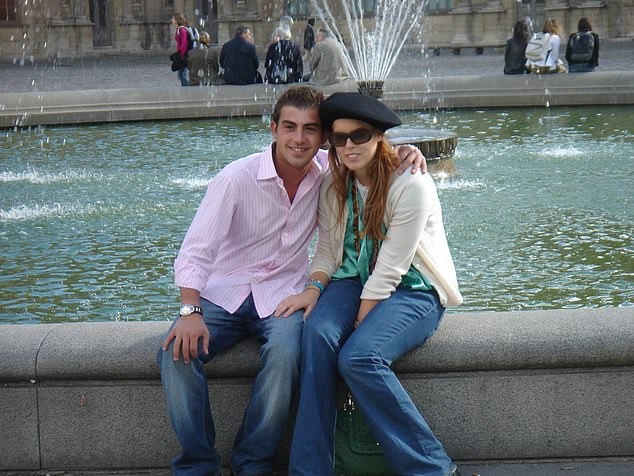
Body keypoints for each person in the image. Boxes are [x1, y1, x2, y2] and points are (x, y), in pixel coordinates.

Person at [158, 86, 427, 476]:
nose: (299, 139)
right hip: (224, 293)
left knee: (286, 357)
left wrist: (406, 151)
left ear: (321, 137)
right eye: (290, 127)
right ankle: (198, 465)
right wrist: (189, 309)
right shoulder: (235, 179)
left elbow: (368, 151)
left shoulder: (328, 170)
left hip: (282, 295)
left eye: (309, 130)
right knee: (175, 355)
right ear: (273, 129)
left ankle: (252, 462)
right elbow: (196, 250)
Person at [276, 92, 463, 476]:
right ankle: (310, 469)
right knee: (316, 334)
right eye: (339, 138)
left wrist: (362, 320)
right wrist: (312, 289)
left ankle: (433, 468)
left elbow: (392, 266)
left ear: (379, 136)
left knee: (359, 357)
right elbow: (328, 252)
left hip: (415, 289)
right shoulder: (333, 184)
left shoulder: (411, 182)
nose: (348, 146)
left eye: (358, 135)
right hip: (354, 279)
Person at [171, 12, 190, 86]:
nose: (172, 20)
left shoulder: (181, 30)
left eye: (173, 18)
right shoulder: (179, 29)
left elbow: (184, 43)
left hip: (183, 55)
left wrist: (182, 56)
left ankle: (187, 89)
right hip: (181, 54)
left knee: (182, 75)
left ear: (176, 20)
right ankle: (186, 88)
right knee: (181, 75)